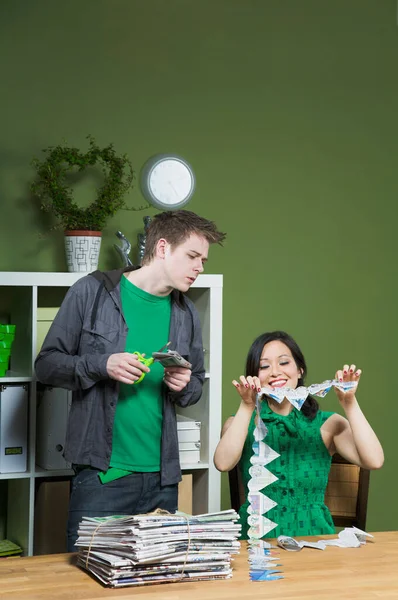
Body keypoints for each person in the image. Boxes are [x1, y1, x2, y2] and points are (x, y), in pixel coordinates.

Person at [35, 210, 226, 551]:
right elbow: (47, 365)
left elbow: (195, 384)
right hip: (102, 478)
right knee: (88, 581)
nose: (200, 267)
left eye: (203, 260)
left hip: (163, 480)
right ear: (163, 247)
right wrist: (101, 364)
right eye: (193, 256)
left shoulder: (187, 313)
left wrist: (185, 385)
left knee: (154, 582)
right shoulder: (92, 292)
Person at [213, 331, 384, 539]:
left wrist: (350, 403)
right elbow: (222, 463)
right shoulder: (239, 422)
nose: (275, 372)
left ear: (300, 370)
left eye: (284, 363)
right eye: (264, 366)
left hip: (313, 537)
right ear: (254, 377)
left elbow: (374, 460)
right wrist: (247, 405)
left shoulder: (328, 424)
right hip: (257, 540)